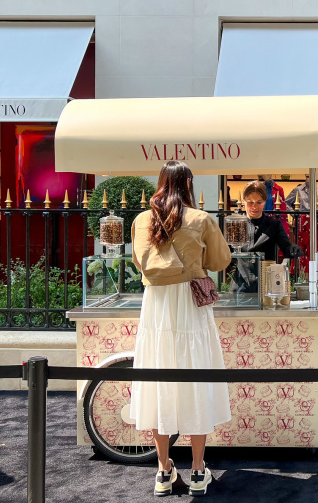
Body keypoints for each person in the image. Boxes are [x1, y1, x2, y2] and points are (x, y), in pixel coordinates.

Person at [130, 160, 232, 497]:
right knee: (196, 380)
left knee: (158, 380)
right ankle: (198, 469)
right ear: (188, 184)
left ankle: (163, 469)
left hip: (157, 307)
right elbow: (220, 261)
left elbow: (139, 262)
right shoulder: (201, 219)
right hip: (189, 305)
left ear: (160, 182)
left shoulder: (142, 220)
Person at [286, 173, 318, 275]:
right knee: (300, 247)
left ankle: (313, 274)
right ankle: (298, 274)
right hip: (301, 221)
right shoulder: (298, 190)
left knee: (313, 248)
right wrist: (295, 214)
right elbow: (285, 202)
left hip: (314, 221)